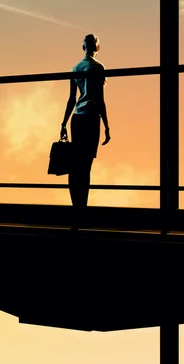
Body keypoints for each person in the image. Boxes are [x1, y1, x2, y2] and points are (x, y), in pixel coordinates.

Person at [60, 34, 111, 225]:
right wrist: (106, 125)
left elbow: (71, 99)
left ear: (83, 47)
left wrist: (63, 123)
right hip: (91, 118)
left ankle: (76, 207)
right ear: (96, 47)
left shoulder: (75, 68)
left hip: (77, 118)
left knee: (76, 164)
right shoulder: (98, 68)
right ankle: (82, 209)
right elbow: (100, 99)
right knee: (86, 165)